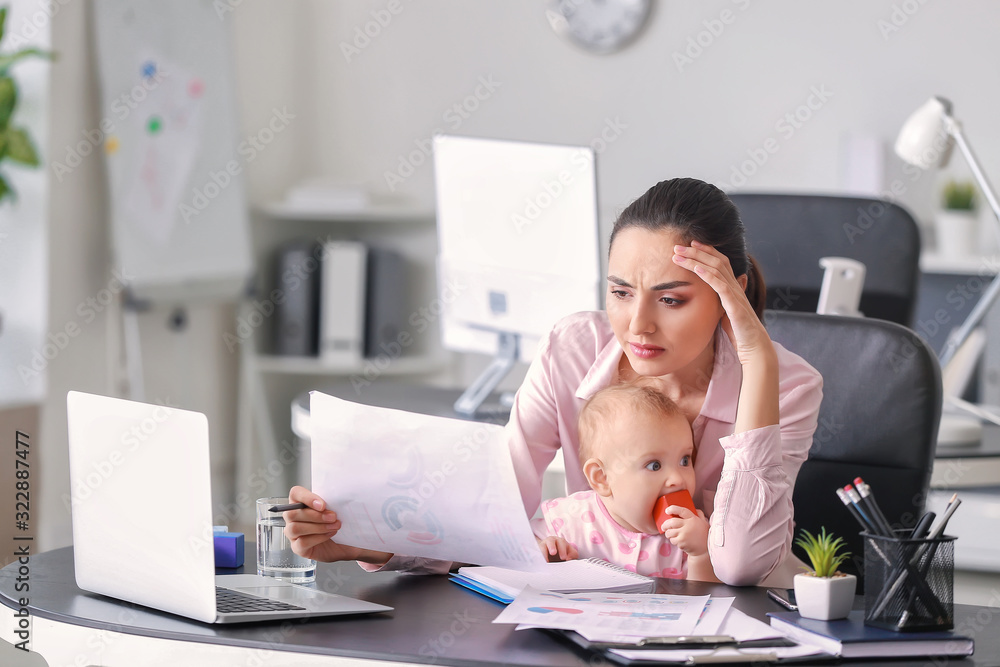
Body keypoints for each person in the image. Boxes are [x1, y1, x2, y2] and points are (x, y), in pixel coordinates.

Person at [284, 177, 823, 586]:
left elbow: (742, 562)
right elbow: (497, 506)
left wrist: (757, 358)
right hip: (600, 617)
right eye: (619, 293)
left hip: (741, 638)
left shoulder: (791, 385)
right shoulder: (573, 349)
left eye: (671, 299)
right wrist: (371, 543)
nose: (638, 325)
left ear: (732, 293)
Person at [534, 380, 719, 582]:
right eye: (654, 465)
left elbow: (708, 596)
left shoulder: (691, 532)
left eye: (685, 460)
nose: (677, 478)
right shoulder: (570, 520)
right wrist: (543, 549)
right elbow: (520, 547)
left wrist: (701, 554)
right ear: (602, 478)